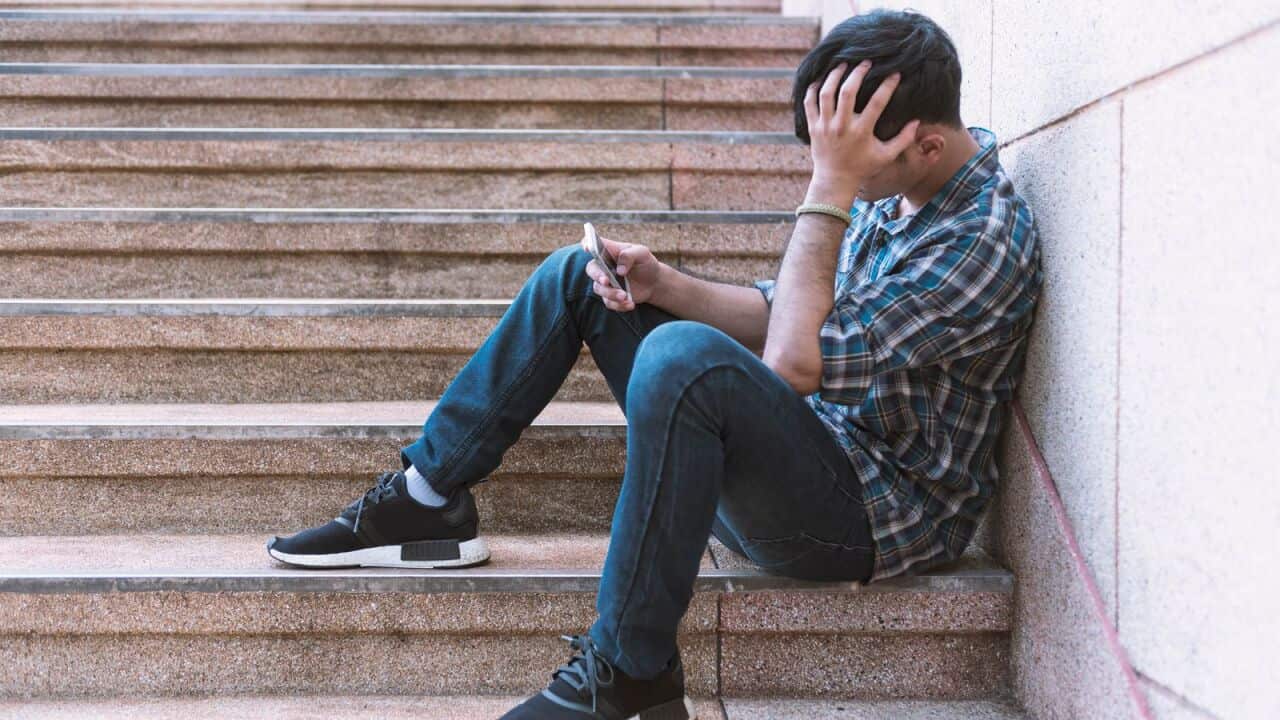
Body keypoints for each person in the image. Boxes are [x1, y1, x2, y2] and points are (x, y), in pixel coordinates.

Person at [266, 8, 1042, 719]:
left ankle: (630, 670)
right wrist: (662, 282)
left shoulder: (979, 244)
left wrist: (830, 187)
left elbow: (794, 363)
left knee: (681, 356)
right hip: (810, 449)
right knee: (584, 281)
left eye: (853, 169)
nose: (842, 182)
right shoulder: (902, 181)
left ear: (927, 144)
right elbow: (787, 315)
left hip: (871, 518)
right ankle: (429, 495)